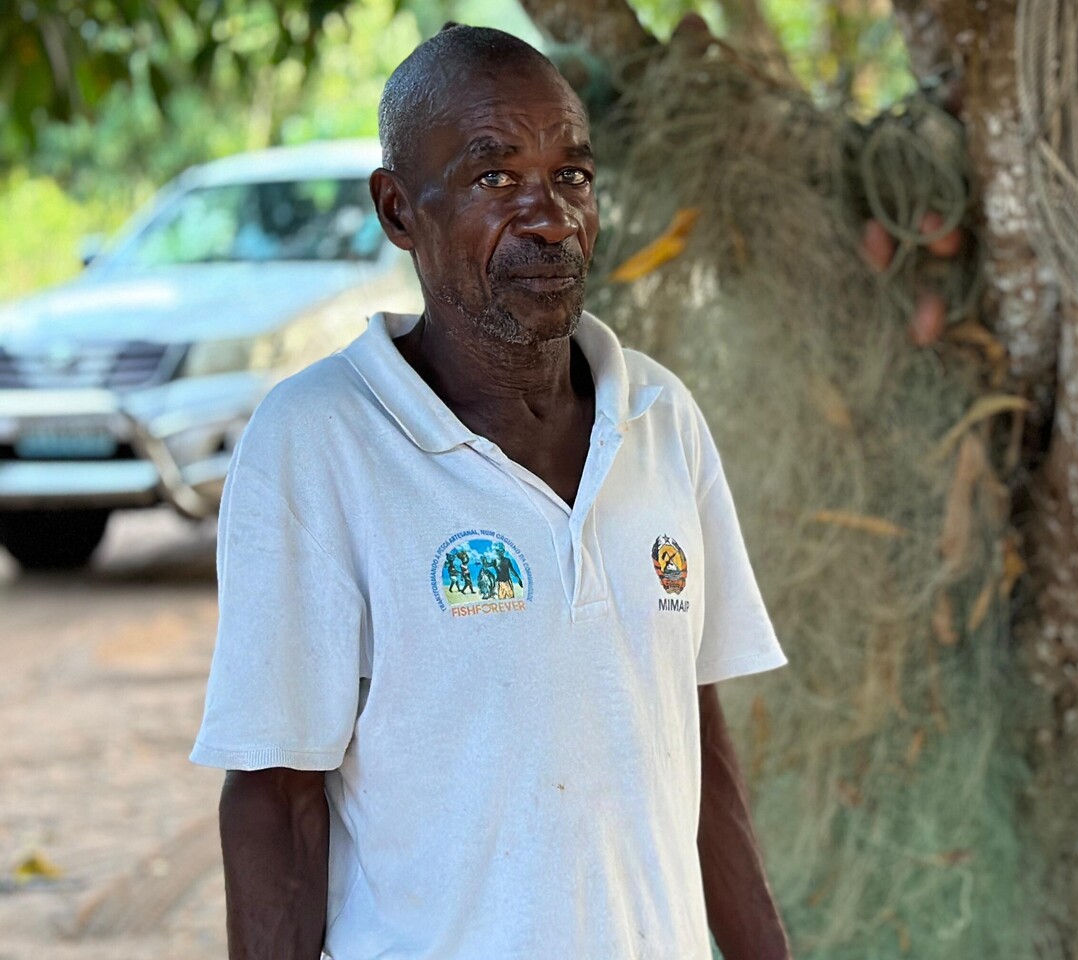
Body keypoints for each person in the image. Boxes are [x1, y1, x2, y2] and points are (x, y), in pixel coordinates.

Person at [190, 24, 790, 960]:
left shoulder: (661, 418)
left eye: (573, 177)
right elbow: (276, 799)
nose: (549, 217)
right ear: (398, 210)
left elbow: (695, 737)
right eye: (494, 178)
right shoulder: (318, 443)